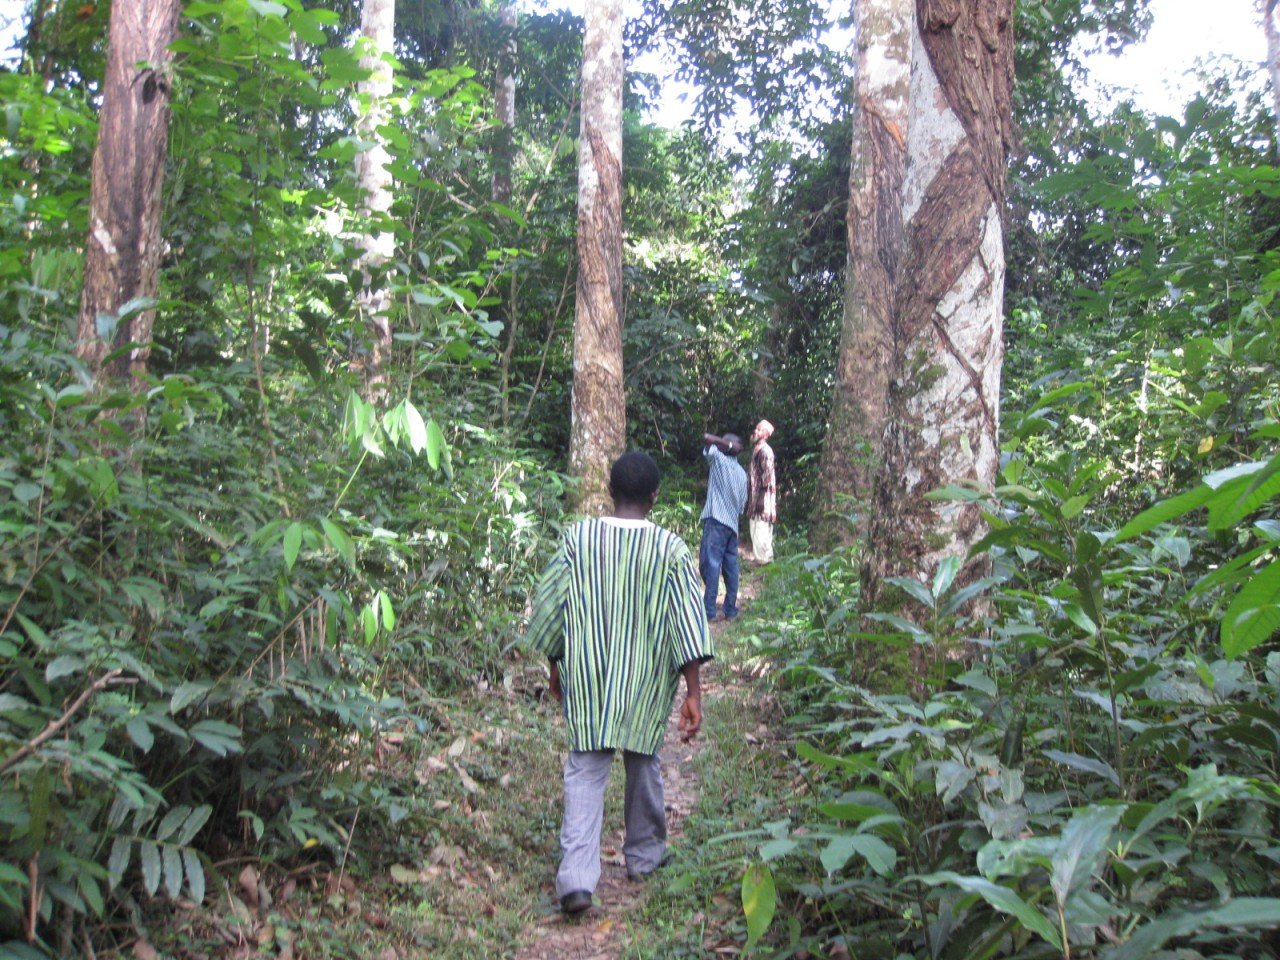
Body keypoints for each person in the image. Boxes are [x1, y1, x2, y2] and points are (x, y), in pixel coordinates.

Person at [524, 451, 713, 916]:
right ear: (655, 496)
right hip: (644, 681)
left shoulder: (579, 538)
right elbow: (686, 620)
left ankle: (575, 878)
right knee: (643, 762)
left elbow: (552, 606)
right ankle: (645, 858)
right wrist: (693, 691)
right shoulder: (671, 549)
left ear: (610, 490)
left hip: (589, 676)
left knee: (585, 769)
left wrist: (556, 663)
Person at [699, 432, 747, 621]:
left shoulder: (718, 459)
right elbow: (742, 505)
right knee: (730, 567)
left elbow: (707, 438)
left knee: (710, 564)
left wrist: (724, 444)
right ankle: (730, 609)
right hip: (732, 526)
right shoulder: (743, 474)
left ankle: (709, 610)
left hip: (716, 521)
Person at [747, 420, 778, 564]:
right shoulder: (758, 449)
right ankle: (760, 560)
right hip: (756, 496)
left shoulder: (765, 451)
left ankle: (764, 562)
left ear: (765, 434)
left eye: (759, 430)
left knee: (762, 529)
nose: (756, 432)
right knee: (755, 527)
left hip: (762, 498)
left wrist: (761, 498)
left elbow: (768, 476)